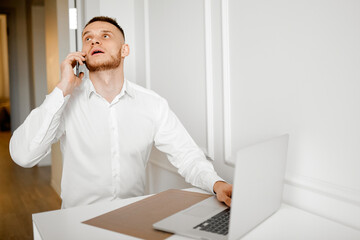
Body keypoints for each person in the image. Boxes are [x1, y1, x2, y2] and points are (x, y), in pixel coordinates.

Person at [9, 16, 232, 209]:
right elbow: (23, 155)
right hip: (76, 223)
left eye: (105, 36)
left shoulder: (152, 104)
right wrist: (63, 88)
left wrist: (216, 183)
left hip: (132, 219)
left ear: (124, 50)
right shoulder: (65, 102)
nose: (94, 40)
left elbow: (188, 155)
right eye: (87, 38)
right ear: (83, 54)